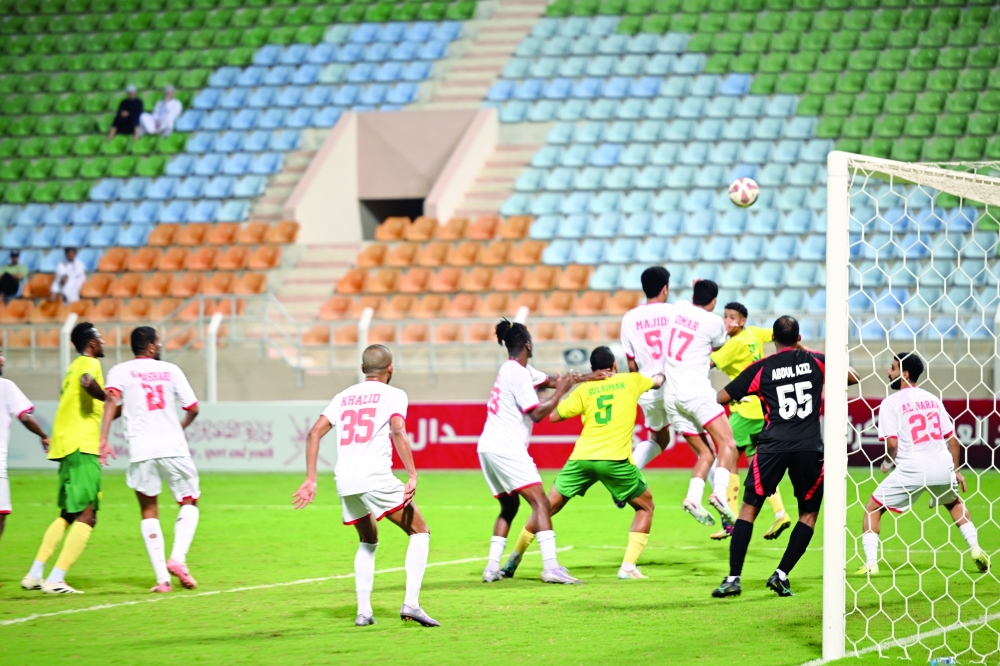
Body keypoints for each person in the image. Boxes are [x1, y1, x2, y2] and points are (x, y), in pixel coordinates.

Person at [293, 344, 439, 627]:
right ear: (391, 368)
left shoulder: (344, 396)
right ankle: (411, 603)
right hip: (375, 477)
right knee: (420, 532)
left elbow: (314, 433)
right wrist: (412, 473)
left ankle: (364, 612)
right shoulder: (395, 394)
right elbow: (398, 429)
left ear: (362, 369)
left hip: (345, 480)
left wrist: (311, 478)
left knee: (368, 539)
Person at [712, 316, 859, 599]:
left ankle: (733, 578)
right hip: (809, 447)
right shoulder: (816, 360)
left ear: (773, 339)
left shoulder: (762, 367)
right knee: (808, 514)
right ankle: (781, 574)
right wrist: (804, 350)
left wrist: (741, 396)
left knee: (748, 510)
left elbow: (721, 397)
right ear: (798, 336)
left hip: (772, 446)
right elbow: (853, 376)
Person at [503, 347, 665, 580]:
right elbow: (657, 382)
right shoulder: (631, 381)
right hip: (614, 459)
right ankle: (628, 567)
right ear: (614, 366)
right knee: (645, 506)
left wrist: (584, 406)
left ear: (592, 369)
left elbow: (554, 416)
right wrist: (666, 372)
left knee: (545, 507)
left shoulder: (585, 389)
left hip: (582, 458)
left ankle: (513, 560)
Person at [856, 352, 989, 575]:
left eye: (893, 368)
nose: (888, 372)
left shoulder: (890, 403)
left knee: (873, 508)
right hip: (942, 464)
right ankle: (975, 548)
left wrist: (888, 464)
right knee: (954, 504)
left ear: (905, 374)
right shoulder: (933, 399)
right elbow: (953, 441)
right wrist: (956, 471)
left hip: (913, 467)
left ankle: (871, 564)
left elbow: (892, 444)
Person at [99, 326, 202, 593]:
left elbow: (111, 400)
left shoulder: (119, 371)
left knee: (148, 509)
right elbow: (193, 408)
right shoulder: (171, 370)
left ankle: (162, 580)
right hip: (172, 446)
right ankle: (178, 559)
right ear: (152, 347)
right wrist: (178, 427)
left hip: (141, 448)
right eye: (159, 342)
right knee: (190, 500)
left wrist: (104, 437)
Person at [479, 320, 582, 585]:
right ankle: (551, 568)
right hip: (506, 447)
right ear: (528, 344)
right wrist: (561, 392)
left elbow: (551, 380)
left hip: (488, 447)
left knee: (509, 506)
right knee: (541, 503)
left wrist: (588, 378)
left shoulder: (515, 369)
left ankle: (491, 568)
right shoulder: (518, 374)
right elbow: (536, 414)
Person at [642, 279, 740, 532]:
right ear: (715, 301)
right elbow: (719, 343)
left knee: (706, 453)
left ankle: (693, 498)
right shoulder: (714, 322)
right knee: (727, 444)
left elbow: (691, 307)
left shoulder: (679, 308)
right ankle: (719, 493)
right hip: (696, 394)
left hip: (672, 398)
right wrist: (728, 326)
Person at [22, 323, 106, 595]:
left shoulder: (70, 369)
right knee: (88, 515)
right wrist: (107, 397)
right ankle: (57, 578)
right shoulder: (88, 363)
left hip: (67, 446)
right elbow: (88, 383)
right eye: (100, 338)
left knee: (67, 514)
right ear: (91, 343)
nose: (103, 342)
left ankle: (35, 573)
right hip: (83, 446)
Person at [706, 302, 791, 542]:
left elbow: (707, 363)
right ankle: (780, 513)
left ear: (741, 321)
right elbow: (779, 334)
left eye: (731, 317)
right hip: (763, 408)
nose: (726, 321)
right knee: (759, 467)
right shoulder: (754, 332)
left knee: (727, 460)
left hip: (743, 412)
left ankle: (729, 520)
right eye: (724, 317)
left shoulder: (733, 345)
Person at [621, 267, 674, 506]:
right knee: (706, 444)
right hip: (676, 386)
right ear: (665, 288)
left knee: (659, 439)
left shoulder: (629, 318)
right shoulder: (675, 313)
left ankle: (625, 480)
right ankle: (719, 500)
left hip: (647, 389)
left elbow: (631, 362)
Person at [0, 343, 51, 551]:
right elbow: (25, 416)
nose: (2, 359)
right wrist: (44, 435)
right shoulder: (5, 386)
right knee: (1, 515)